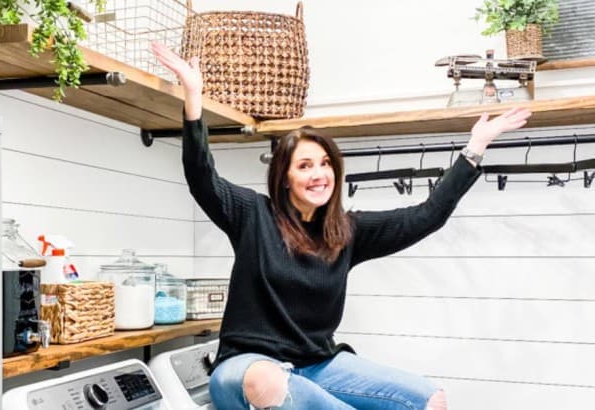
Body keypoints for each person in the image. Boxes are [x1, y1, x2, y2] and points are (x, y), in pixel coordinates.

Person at [152, 42, 532, 410]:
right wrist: (193, 95)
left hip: (318, 365)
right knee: (267, 382)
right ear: (284, 177)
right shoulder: (253, 215)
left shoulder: (347, 232)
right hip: (246, 367)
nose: (319, 174)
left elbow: (427, 215)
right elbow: (202, 177)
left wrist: (475, 147)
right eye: (304, 166)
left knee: (430, 400)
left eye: (325, 163)